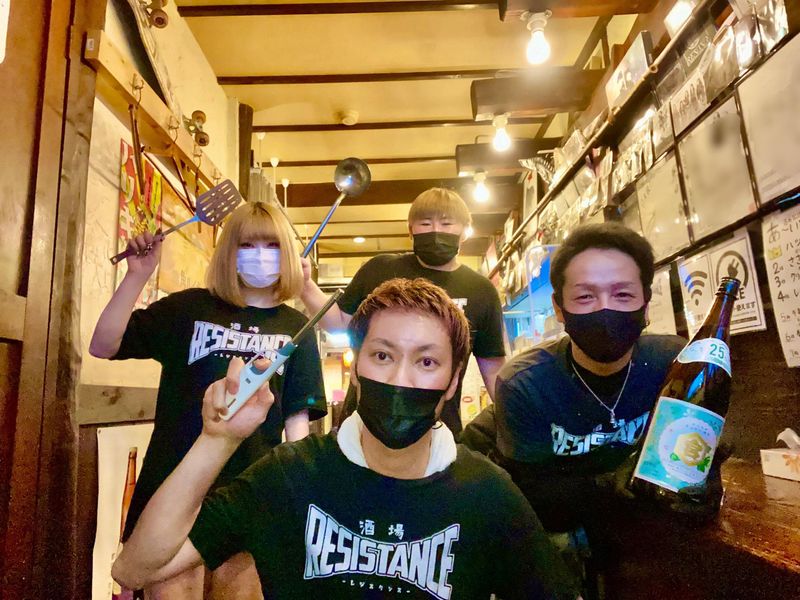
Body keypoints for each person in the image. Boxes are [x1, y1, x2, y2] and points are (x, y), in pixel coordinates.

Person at [111, 278, 581, 600]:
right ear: (356, 369)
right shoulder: (290, 476)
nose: (400, 379)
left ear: (453, 381)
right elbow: (135, 569)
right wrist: (218, 439)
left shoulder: (487, 494)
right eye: (382, 355)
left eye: (426, 362)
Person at [90, 201, 327, 598]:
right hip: (172, 493)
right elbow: (103, 345)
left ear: (288, 252)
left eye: (271, 245)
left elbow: (296, 424)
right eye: (247, 244)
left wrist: (299, 500)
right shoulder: (188, 308)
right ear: (228, 251)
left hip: (251, 497)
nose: (259, 254)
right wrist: (136, 276)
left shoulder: (298, 328)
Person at [473, 223, 692, 533]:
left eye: (623, 294)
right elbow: (533, 497)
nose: (605, 309)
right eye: (585, 296)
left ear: (646, 303)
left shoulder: (675, 363)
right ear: (559, 309)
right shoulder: (525, 384)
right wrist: (607, 484)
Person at [300, 187, 506, 434]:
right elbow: (338, 323)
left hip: (437, 427)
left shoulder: (481, 290)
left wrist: (515, 426)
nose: (435, 231)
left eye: (447, 223)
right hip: (362, 424)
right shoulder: (379, 269)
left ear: (465, 231)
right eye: (425, 223)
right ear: (411, 230)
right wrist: (304, 284)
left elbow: (494, 371)